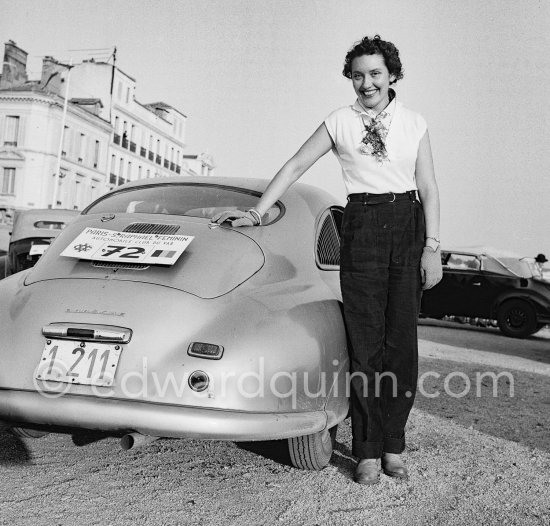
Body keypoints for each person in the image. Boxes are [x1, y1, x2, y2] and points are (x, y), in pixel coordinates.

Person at [212, 35, 443, 485]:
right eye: (357, 75)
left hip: (407, 224)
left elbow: (430, 186)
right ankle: (368, 452)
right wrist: (258, 211)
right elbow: (297, 164)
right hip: (361, 224)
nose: (366, 83)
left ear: (392, 75)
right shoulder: (339, 120)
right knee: (365, 343)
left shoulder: (415, 123)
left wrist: (432, 247)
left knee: (401, 345)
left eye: (375, 73)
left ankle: (394, 443)